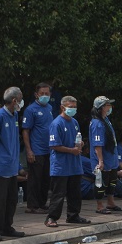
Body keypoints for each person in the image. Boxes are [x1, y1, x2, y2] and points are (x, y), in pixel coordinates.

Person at [0, 87, 26, 241]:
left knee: (11, 199)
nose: (21, 103)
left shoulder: (14, 115)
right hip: (1, 164)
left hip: (12, 165)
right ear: (14, 100)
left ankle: (6, 226)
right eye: (20, 99)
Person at [45, 96, 90, 228]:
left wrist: (80, 143)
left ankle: (73, 215)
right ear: (63, 107)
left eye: (74, 107)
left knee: (75, 192)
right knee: (58, 193)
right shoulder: (56, 123)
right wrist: (71, 150)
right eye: (70, 107)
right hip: (61, 165)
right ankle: (52, 217)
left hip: (74, 164)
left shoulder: (74, 122)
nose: (73, 109)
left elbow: (77, 138)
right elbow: (54, 145)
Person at [21, 82, 54, 214]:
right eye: (42, 94)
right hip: (36, 150)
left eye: (47, 93)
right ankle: (32, 205)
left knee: (46, 179)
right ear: (36, 94)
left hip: (48, 149)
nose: (45, 96)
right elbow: (25, 131)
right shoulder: (30, 110)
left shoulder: (50, 108)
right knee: (35, 179)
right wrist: (29, 150)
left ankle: (42, 203)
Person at [90, 96, 121, 215]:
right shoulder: (97, 123)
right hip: (103, 157)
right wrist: (100, 161)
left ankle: (111, 202)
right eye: (108, 105)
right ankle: (99, 205)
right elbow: (97, 144)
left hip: (111, 156)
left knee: (112, 180)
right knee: (101, 182)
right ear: (102, 107)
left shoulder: (106, 120)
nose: (110, 107)